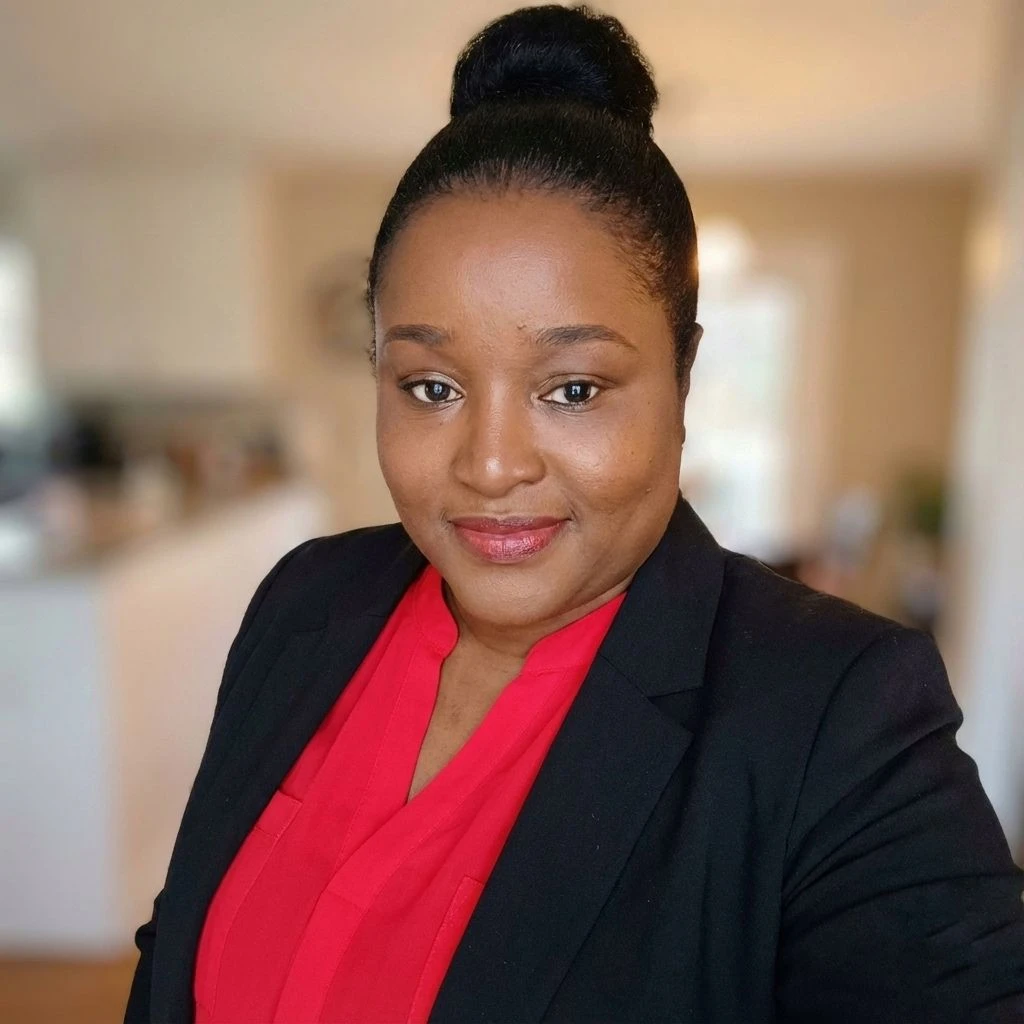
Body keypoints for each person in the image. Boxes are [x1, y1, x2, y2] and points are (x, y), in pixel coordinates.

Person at [125, 6, 1024, 1022]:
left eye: (573, 389)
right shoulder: (306, 600)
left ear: (683, 378)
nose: (491, 465)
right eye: (430, 387)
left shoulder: (840, 718)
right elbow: (177, 948)